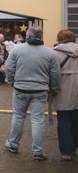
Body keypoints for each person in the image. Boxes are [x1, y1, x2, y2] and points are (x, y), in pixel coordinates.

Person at [4, 26, 60, 161]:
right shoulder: (50, 53)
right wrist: (53, 89)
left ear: (27, 36)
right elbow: (55, 74)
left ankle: (13, 144)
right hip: (40, 91)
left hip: (20, 89)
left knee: (18, 117)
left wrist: (11, 82)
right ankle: (38, 151)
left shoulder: (17, 49)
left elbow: (9, 68)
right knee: (38, 120)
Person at [51, 29, 78, 161]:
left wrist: (52, 89)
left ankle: (66, 151)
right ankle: (73, 147)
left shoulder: (55, 54)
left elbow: (52, 74)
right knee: (75, 120)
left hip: (63, 90)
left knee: (63, 120)